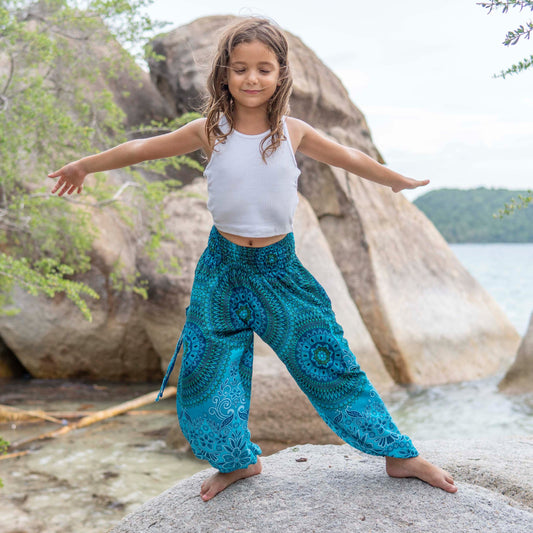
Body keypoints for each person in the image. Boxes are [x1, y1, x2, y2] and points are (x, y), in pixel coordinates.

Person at [48, 16, 457, 501]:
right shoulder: (209, 131)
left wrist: (392, 179)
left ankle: (398, 455)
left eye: (264, 69)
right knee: (207, 374)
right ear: (224, 73)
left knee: (329, 361)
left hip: (279, 272)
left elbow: (347, 155)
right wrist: (85, 165)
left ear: (281, 73)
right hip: (221, 270)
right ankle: (238, 462)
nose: (252, 79)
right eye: (240, 68)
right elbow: (141, 148)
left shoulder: (293, 132)